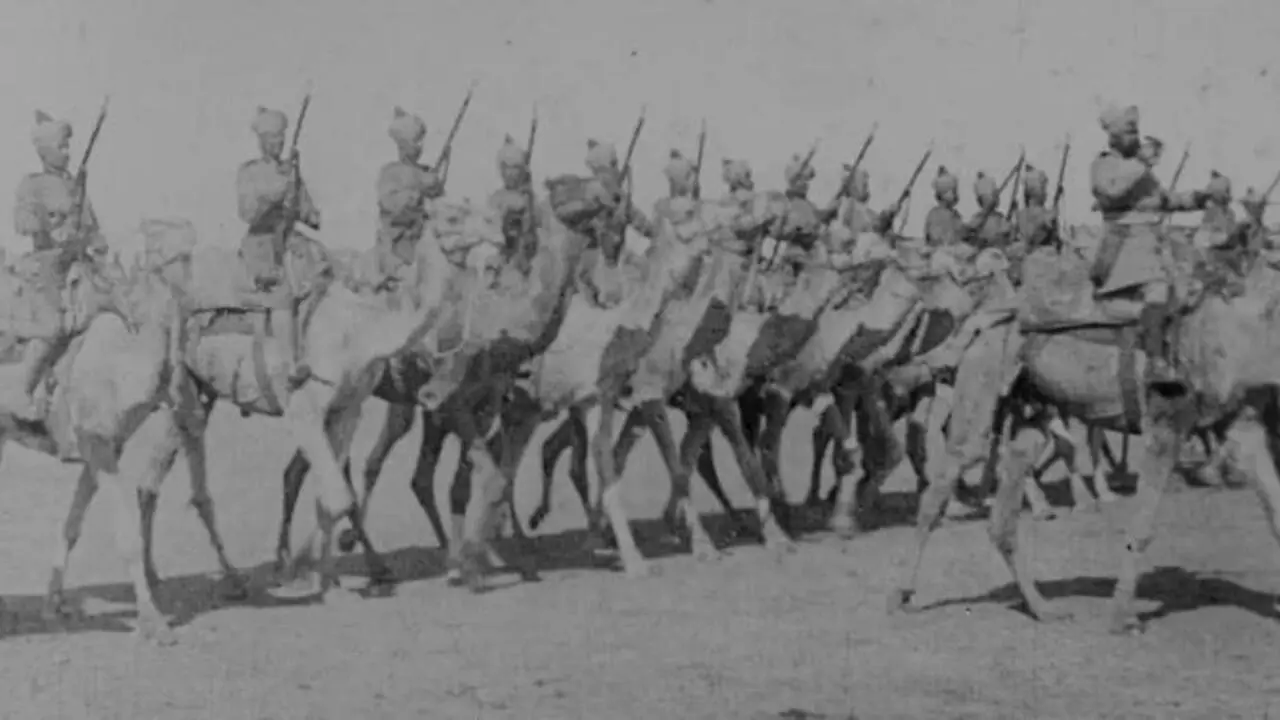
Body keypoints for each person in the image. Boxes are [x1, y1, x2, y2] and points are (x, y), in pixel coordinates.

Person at [1089, 104, 1210, 390]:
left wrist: (1198, 198)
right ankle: (1155, 363)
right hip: (1122, 252)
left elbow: (1163, 200)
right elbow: (1112, 189)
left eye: (1136, 132)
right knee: (1157, 288)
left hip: (1150, 251)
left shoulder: (1139, 171)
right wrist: (1142, 164)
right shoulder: (1105, 164)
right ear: (1113, 136)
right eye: (1130, 132)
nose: (1136, 138)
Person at [10, 110, 108, 421]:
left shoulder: (74, 184)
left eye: (68, 147)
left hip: (79, 263)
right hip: (47, 265)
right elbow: (22, 223)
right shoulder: (32, 184)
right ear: (44, 150)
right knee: (52, 328)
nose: (67, 153)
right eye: (61, 147)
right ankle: (22, 390)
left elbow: (91, 224)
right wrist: (51, 220)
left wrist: (98, 243)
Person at [236, 106, 321, 293]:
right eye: (272, 137)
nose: (279, 142)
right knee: (279, 297)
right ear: (262, 141)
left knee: (321, 270)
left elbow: (308, 213)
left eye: (281, 136)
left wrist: (307, 211)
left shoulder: (289, 171)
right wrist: (275, 193)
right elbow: (248, 213)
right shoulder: (249, 172)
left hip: (289, 241)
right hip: (261, 245)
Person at [375, 107, 443, 286]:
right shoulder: (390, 172)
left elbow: (439, 203)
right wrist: (418, 193)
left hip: (428, 235)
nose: (419, 147)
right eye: (415, 142)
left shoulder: (426, 171)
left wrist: (436, 185)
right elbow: (389, 204)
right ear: (402, 145)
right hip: (400, 240)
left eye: (421, 142)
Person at [486, 134, 535, 272]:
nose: (510, 173)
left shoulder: (528, 197)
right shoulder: (495, 198)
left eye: (515, 168)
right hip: (501, 253)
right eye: (506, 168)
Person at [839, 166, 899, 237]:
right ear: (853, 187)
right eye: (864, 185)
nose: (867, 189)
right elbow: (867, 228)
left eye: (866, 185)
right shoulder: (848, 207)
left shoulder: (868, 212)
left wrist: (888, 217)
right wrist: (884, 219)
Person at [966, 172, 1013, 251]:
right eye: (994, 195)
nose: (997, 198)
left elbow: (1006, 235)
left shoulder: (1000, 218)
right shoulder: (977, 219)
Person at [924, 166, 965, 249]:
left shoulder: (956, 215)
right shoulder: (934, 214)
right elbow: (934, 239)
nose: (955, 195)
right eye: (953, 192)